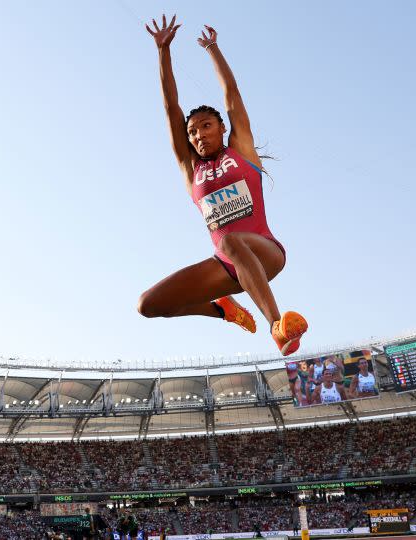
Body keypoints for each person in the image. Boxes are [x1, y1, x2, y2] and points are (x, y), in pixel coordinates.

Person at [138, 15, 308, 355]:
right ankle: (223, 309)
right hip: (226, 267)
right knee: (149, 304)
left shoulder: (241, 150)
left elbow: (231, 94)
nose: (199, 134)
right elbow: (171, 108)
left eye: (206, 125)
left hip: (264, 252)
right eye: (193, 131)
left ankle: (277, 327)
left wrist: (213, 48)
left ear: (221, 128)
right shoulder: (191, 169)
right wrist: (162, 52)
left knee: (230, 239)